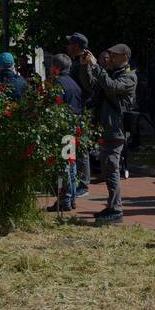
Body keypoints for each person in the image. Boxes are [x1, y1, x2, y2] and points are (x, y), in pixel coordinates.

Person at [82, 43, 137, 223]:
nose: (110, 58)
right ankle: (112, 205)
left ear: (125, 58)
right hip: (106, 128)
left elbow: (112, 86)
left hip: (117, 130)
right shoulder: (111, 73)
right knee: (106, 168)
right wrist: (87, 66)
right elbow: (92, 85)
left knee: (112, 168)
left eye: (114, 55)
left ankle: (117, 210)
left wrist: (97, 66)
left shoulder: (129, 77)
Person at [47, 53, 85, 212]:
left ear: (56, 68)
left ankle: (65, 199)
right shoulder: (74, 83)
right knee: (71, 163)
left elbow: (55, 107)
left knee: (64, 165)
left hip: (63, 128)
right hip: (74, 127)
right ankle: (72, 198)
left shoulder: (58, 83)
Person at [65, 32, 93, 195]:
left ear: (76, 46)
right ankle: (73, 182)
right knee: (72, 146)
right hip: (77, 110)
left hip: (81, 110)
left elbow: (88, 87)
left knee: (80, 147)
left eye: (70, 44)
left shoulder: (84, 63)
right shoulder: (77, 62)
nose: (68, 47)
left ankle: (82, 183)